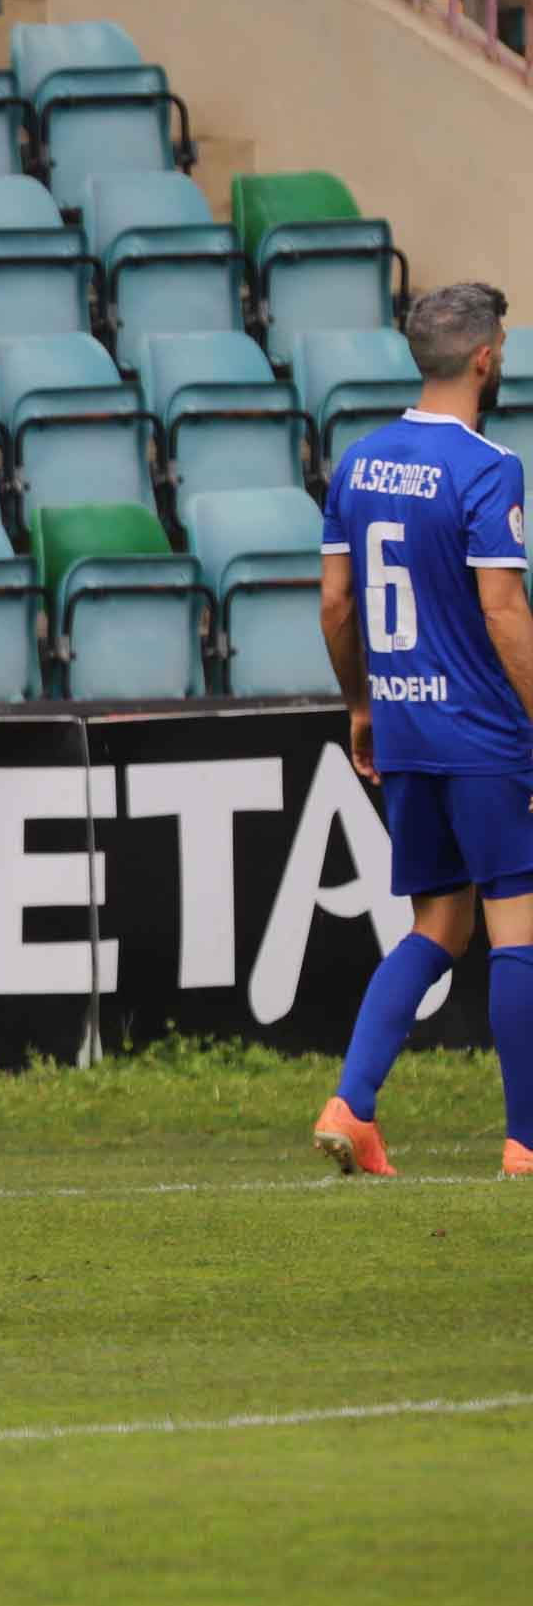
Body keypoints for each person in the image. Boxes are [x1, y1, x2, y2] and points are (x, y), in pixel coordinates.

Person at [312, 282, 533, 1179]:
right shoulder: (489, 467)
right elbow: (505, 611)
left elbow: (335, 602)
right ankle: (525, 1142)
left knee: (438, 927)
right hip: (483, 734)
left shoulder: (358, 462)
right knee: (517, 933)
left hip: (403, 727)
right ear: (484, 357)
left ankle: (351, 1105)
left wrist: (361, 705)